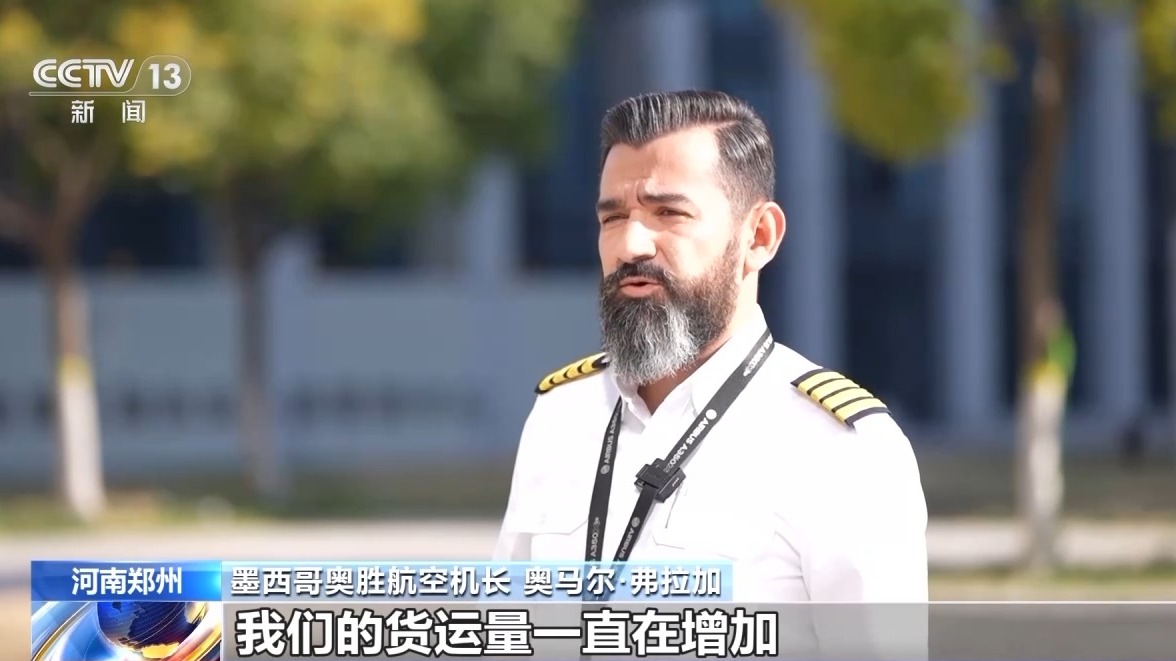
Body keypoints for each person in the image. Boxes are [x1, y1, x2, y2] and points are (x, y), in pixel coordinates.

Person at [492, 90, 928, 608]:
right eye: (613, 218)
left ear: (759, 236)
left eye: (669, 213)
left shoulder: (840, 449)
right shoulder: (562, 414)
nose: (630, 245)